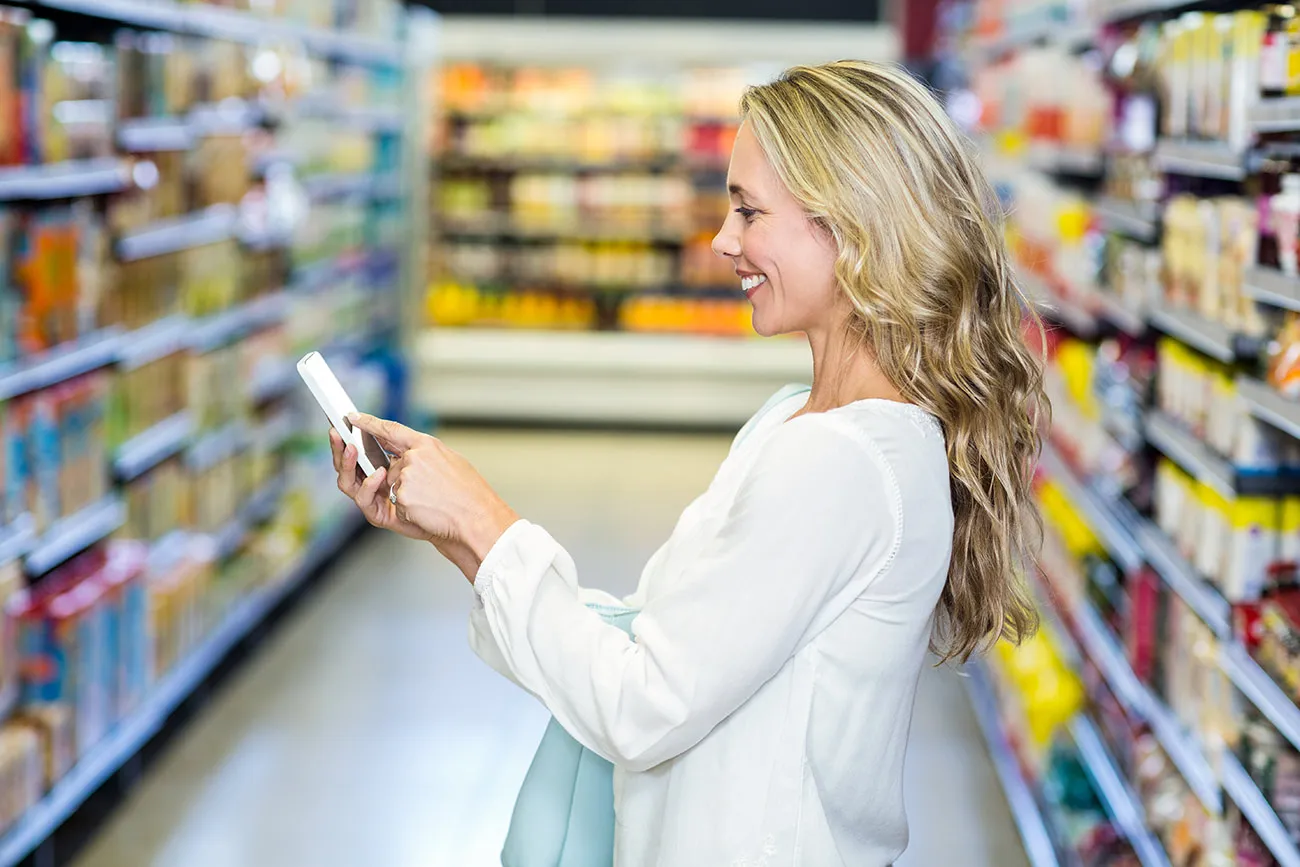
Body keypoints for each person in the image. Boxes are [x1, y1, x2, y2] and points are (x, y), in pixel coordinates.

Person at [330, 60, 1046, 867]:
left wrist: (483, 519)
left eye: (749, 210)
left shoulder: (842, 461)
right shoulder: (800, 423)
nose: (723, 240)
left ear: (852, 224)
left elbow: (642, 703)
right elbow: (661, 638)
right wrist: (454, 535)